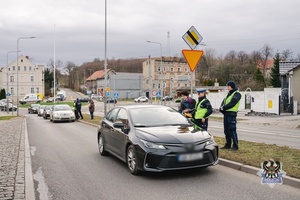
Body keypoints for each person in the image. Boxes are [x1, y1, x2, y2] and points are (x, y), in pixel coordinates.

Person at [219, 81, 242, 151]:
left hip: (231, 114)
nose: (227, 88)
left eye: (228, 86)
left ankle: (235, 146)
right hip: (226, 114)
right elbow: (223, 103)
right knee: (226, 131)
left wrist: (224, 108)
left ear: (231, 87)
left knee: (232, 130)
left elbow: (232, 103)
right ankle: (228, 144)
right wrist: (221, 108)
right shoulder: (228, 94)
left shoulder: (237, 94)